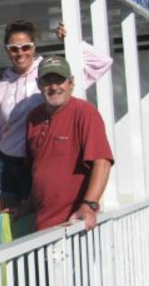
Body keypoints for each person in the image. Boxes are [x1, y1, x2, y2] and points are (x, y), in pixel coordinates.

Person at [0, 20, 112, 212]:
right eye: (13, 48)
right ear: (7, 51)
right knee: (2, 224)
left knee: (30, 219)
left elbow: (102, 63)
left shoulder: (50, 73)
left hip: (34, 162)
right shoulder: (0, 87)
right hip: (5, 162)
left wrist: (72, 41)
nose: (20, 53)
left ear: (34, 47)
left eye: (26, 47)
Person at [25, 56, 113, 231]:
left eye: (60, 80)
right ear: (38, 84)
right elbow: (36, 170)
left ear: (71, 82)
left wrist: (89, 205)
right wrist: (25, 206)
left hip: (73, 226)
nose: (54, 87)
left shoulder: (85, 113)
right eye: (47, 81)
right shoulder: (33, 117)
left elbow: (102, 162)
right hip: (41, 226)